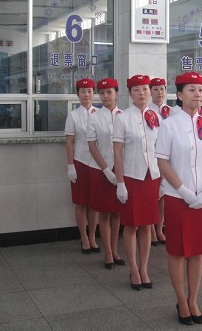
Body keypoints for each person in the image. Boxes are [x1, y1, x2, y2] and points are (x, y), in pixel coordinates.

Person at [155, 72, 202, 326]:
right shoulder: (169, 125)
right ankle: (181, 300)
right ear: (180, 95)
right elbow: (162, 162)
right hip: (177, 198)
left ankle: (194, 300)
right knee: (178, 251)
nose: (197, 94)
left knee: (198, 251)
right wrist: (183, 191)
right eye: (191, 90)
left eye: (200, 90)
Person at [113, 74, 160, 290]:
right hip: (132, 177)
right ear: (130, 93)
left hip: (152, 177)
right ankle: (133, 269)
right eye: (137, 89)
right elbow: (117, 153)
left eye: (145, 89)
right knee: (132, 225)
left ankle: (144, 268)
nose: (142, 93)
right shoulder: (122, 118)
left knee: (147, 225)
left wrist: (163, 179)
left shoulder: (156, 116)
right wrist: (120, 183)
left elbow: (161, 149)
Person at [86, 78, 125, 269]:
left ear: (117, 93)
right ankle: (108, 253)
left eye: (109, 92)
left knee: (117, 213)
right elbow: (92, 147)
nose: (106, 96)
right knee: (104, 213)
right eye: (102, 93)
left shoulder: (124, 116)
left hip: (120, 170)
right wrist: (107, 170)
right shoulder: (94, 117)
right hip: (100, 171)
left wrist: (119, 171)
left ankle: (115, 250)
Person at [65, 79, 100, 254]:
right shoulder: (73, 115)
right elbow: (69, 142)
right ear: (77, 94)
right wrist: (70, 165)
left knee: (94, 203)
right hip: (80, 161)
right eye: (83, 91)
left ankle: (92, 236)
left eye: (90, 91)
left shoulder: (99, 113)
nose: (87, 95)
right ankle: (84, 237)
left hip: (96, 164)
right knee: (80, 202)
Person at [148, 77, 170, 246]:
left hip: (168, 158)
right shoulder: (147, 111)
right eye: (155, 89)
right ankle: (149, 230)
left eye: (162, 89)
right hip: (151, 157)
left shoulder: (172, 111)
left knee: (163, 196)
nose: (159, 92)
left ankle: (159, 228)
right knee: (151, 196)